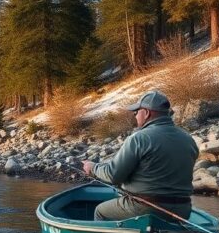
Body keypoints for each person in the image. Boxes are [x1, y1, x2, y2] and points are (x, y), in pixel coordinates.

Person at [81, 90, 198, 221]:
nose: (135, 116)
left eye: (137, 112)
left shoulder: (139, 138)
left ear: (147, 113)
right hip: (183, 210)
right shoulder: (188, 139)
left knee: (100, 211)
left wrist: (93, 168)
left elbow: (113, 175)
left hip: (147, 208)